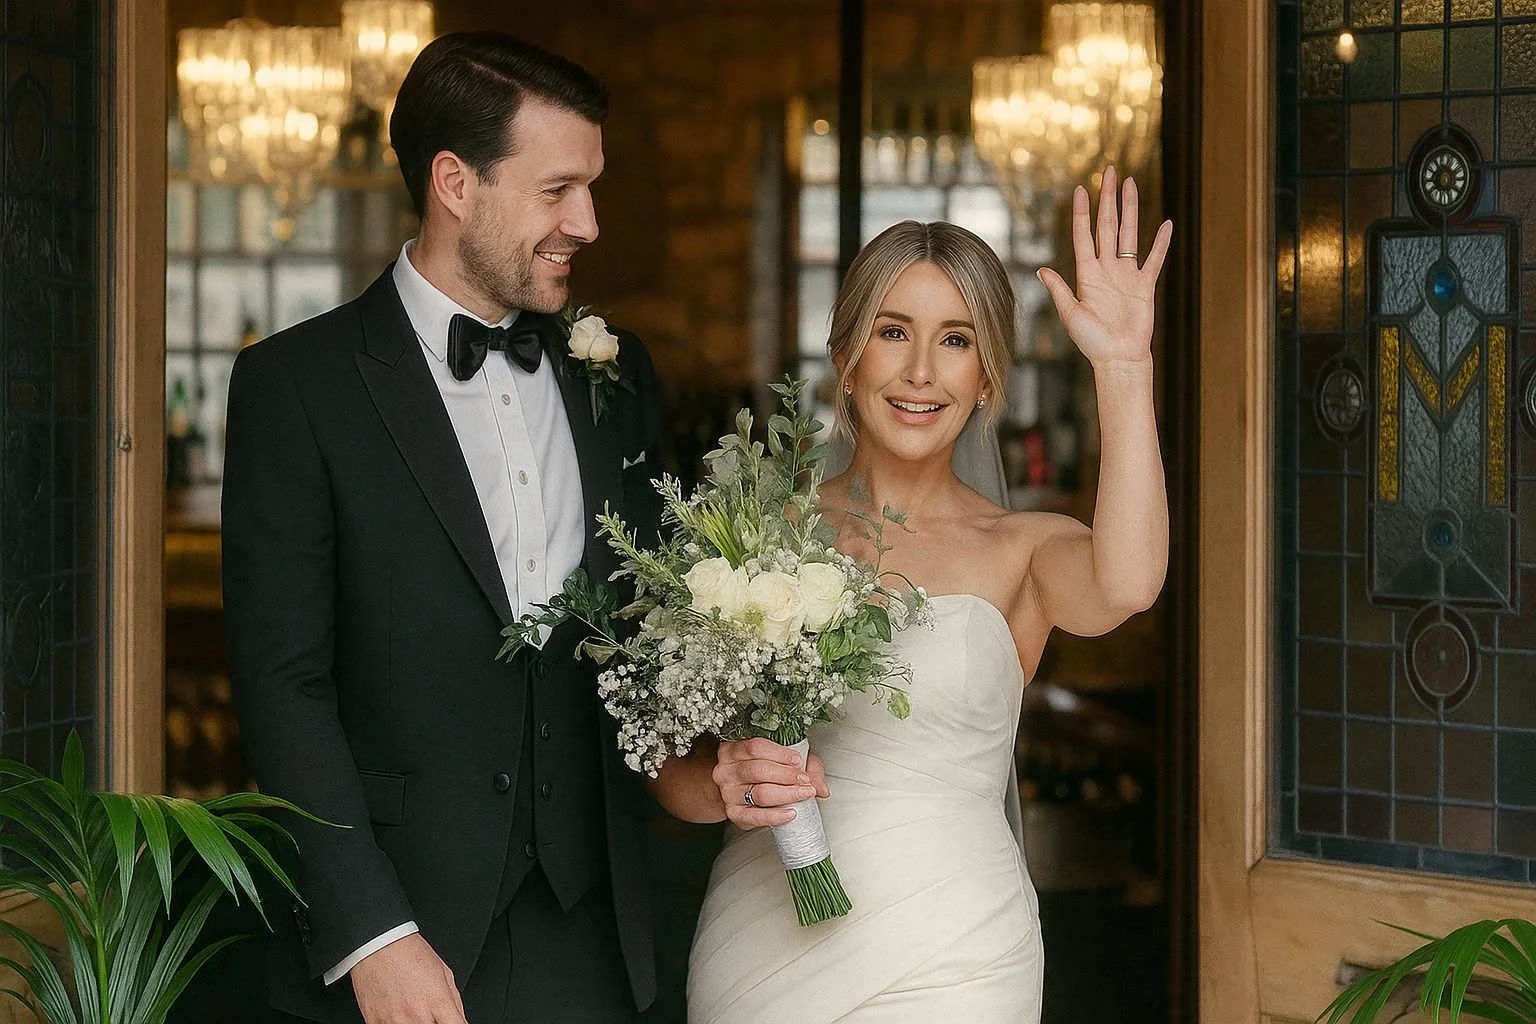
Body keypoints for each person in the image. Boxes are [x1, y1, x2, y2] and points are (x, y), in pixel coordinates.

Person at [652, 169, 1171, 1021]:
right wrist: (724, 785)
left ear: (987, 379)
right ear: (847, 357)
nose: (922, 371)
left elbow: (1131, 580)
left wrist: (1122, 367)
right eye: (895, 332)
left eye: (957, 340)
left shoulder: (1026, 552)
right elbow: (674, 774)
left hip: (956, 955)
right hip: (763, 949)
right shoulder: (752, 537)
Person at [222, 32, 666, 1024]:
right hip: (398, 937)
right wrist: (371, 932)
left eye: (592, 187)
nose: (588, 222)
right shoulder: (298, 387)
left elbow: (651, 630)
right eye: (558, 190)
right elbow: (281, 681)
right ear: (455, 182)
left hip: (597, 937)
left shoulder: (620, 375)